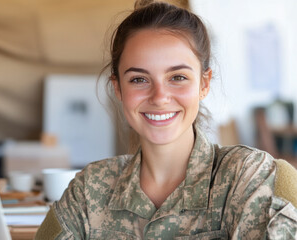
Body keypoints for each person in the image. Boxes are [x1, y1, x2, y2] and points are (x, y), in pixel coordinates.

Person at [35, 1, 297, 239]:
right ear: (118, 88)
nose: (160, 97)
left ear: (204, 83)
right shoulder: (89, 190)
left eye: (178, 77)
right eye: (139, 79)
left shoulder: (247, 178)